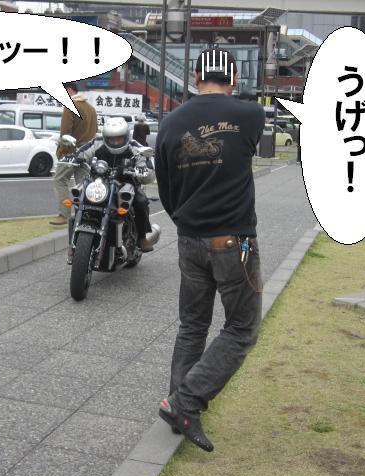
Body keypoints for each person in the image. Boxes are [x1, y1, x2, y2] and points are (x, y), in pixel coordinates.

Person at [154, 48, 266, 452]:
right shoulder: (250, 115)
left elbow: (165, 188)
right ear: (233, 78)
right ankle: (184, 403)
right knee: (242, 329)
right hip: (232, 241)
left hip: (189, 239)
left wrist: (185, 220)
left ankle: (178, 409)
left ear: (195, 77)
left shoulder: (170, 123)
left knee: (192, 325)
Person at [69, 117, 155, 252]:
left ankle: (142, 237)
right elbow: (82, 152)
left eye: (119, 139)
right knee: (80, 197)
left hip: (127, 182)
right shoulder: (97, 142)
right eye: (111, 139)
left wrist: (140, 171)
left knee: (141, 201)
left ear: (126, 136)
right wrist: (75, 159)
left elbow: (149, 170)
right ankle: (79, 233)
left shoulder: (136, 148)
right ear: (105, 137)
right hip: (100, 182)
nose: (115, 142)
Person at [50, 82, 98, 226]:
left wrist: (61, 152)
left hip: (71, 152)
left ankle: (64, 214)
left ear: (70, 90)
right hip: (87, 152)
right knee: (83, 184)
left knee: (60, 180)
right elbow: (95, 131)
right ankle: (87, 214)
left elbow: (65, 133)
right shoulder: (91, 108)